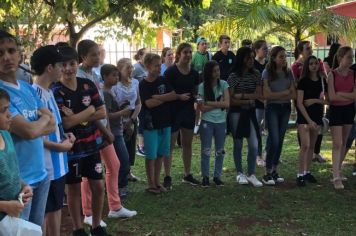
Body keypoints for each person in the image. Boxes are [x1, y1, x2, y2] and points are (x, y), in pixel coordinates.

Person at [0, 30, 55, 227]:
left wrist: (37, 124)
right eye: (0, 53)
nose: (6, 57)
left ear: (19, 54)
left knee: (35, 230)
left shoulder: (26, 87)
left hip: (41, 173)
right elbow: (30, 131)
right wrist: (41, 121)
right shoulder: (1, 94)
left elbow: (52, 123)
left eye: (11, 50)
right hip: (19, 183)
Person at [52, 46, 108, 235]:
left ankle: (96, 225)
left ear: (78, 63)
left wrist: (79, 115)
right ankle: (78, 229)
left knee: (98, 186)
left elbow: (102, 111)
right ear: (58, 67)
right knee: (74, 189)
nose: (68, 68)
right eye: (64, 65)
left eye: (72, 64)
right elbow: (66, 123)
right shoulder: (55, 91)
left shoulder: (87, 85)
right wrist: (89, 111)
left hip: (92, 146)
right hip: (71, 150)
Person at [76, 39, 127, 227]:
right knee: (89, 173)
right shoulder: (80, 78)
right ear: (83, 57)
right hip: (92, 131)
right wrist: (105, 130)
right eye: (94, 54)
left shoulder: (95, 74)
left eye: (98, 53)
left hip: (103, 129)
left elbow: (100, 105)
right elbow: (90, 111)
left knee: (113, 165)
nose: (98, 57)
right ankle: (88, 212)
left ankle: (114, 206)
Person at [31, 45, 75, 236]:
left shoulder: (49, 92)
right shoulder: (34, 95)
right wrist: (60, 146)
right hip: (46, 166)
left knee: (56, 208)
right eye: (60, 65)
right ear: (50, 68)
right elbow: (35, 136)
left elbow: (54, 126)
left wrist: (65, 136)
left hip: (58, 165)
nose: (63, 69)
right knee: (40, 215)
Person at [101, 64, 138, 216]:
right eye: (113, 76)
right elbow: (106, 115)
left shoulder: (111, 91)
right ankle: (119, 189)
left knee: (121, 161)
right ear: (104, 77)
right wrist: (123, 112)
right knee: (122, 161)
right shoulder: (105, 93)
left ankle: (117, 191)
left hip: (118, 130)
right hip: (113, 133)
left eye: (117, 75)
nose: (117, 78)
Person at [139, 53, 176, 193]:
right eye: (156, 65)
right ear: (148, 67)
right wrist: (165, 98)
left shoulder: (162, 79)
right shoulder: (143, 84)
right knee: (151, 156)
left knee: (161, 154)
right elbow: (149, 103)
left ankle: (157, 181)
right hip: (151, 125)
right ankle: (151, 184)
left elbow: (173, 95)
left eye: (160, 64)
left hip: (165, 123)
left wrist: (159, 97)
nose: (159, 67)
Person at [164, 43, 201, 187]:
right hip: (173, 112)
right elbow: (166, 93)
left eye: (190, 52)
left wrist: (198, 104)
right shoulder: (170, 72)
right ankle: (167, 176)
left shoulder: (194, 73)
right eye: (185, 52)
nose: (188, 55)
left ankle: (187, 174)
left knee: (187, 144)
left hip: (188, 112)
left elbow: (196, 93)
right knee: (170, 146)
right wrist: (178, 97)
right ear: (178, 54)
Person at [227, 46, 263, 187]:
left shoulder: (256, 74)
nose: (251, 60)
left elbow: (258, 95)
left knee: (254, 145)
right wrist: (248, 99)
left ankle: (251, 173)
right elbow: (231, 100)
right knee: (238, 143)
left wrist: (241, 96)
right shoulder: (233, 76)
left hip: (250, 112)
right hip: (236, 112)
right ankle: (240, 173)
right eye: (249, 58)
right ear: (242, 59)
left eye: (253, 57)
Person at [262, 46, 296, 186]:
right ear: (274, 58)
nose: (284, 59)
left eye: (284, 56)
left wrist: (282, 94)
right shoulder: (267, 73)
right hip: (273, 108)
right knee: (274, 139)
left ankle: (274, 170)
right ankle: (267, 172)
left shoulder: (288, 72)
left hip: (285, 108)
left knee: (280, 140)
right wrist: (284, 93)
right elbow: (267, 94)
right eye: (281, 56)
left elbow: (293, 93)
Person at [0, 88, 33, 228]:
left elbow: (10, 172)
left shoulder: (6, 134)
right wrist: (4, 206)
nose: (9, 115)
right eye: (3, 110)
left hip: (11, 220)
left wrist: (23, 185)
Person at [292, 40, 327, 163]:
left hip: (317, 105)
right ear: (301, 51)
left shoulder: (319, 64)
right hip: (302, 101)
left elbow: (324, 79)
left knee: (318, 128)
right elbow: (295, 85)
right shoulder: (296, 66)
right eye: (307, 48)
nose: (310, 50)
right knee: (305, 135)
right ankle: (305, 153)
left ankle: (315, 153)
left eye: (311, 47)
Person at [296, 55, 327, 186]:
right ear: (307, 66)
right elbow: (299, 102)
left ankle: (307, 172)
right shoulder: (303, 81)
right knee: (305, 145)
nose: (314, 66)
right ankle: (300, 174)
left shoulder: (322, 80)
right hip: (305, 118)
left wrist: (315, 100)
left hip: (317, 116)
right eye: (311, 64)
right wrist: (309, 120)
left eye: (316, 63)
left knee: (312, 147)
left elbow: (328, 100)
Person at [197, 60, 229, 187]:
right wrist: (218, 103)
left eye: (218, 70)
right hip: (207, 122)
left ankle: (217, 176)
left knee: (220, 150)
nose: (217, 73)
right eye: (214, 71)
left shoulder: (224, 84)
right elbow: (201, 108)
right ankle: (205, 177)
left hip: (221, 122)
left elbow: (227, 104)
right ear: (209, 73)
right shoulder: (202, 86)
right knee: (206, 150)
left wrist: (209, 102)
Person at [327, 46, 356, 190]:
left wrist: (341, 94)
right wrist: (346, 94)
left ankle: (337, 170)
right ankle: (336, 177)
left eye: (352, 57)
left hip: (349, 110)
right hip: (336, 110)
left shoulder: (353, 74)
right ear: (340, 58)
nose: (351, 60)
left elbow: (354, 95)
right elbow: (331, 97)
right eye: (349, 57)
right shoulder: (332, 74)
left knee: (344, 141)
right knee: (337, 143)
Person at [114, 58, 142, 189]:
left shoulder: (135, 82)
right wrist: (122, 120)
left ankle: (128, 172)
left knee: (130, 147)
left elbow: (138, 103)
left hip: (132, 119)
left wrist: (132, 120)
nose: (131, 70)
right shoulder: (115, 86)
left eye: (131, 67)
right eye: (127, 68)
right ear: (119, 70)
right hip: (118, 122)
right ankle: (118, 175)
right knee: (120, 149)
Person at [253, 40, 268, 167]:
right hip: (257, 102)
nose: (266, 51)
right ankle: (257, 155)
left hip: (269, 101)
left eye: (267, 49)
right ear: (257, 50)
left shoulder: (268, 65)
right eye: (264, 49)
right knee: (257, 129)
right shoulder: (252, 65)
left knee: (270, 128)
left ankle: (267, 153)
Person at [132, 48, 147, 156]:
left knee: (145, 121)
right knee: (141, 122)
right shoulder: (136, 68)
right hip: (139, 100)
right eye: (145, 55)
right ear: (140, 56)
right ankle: (140, 146)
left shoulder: (146, 66)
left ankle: (144, 144)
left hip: (146, 100)